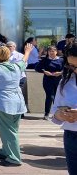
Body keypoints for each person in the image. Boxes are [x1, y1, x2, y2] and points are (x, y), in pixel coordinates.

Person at [50, 42, 77, 175]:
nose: (75, 70)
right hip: (71, 137)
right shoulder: (65, 81)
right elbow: (54, 112)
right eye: (71, 66)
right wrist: (60, 115)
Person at [35, 46, 64, 120]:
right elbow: (37, 68)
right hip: (48, 80)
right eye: (50, 51)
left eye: (53, 51)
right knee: (50, 96)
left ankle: (57, 113)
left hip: (58, 80)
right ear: (48, 52)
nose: (51, 53)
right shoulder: (45, 60)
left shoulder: (61, 60)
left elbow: (66, 69)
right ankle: (47, 113)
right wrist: (44, 71)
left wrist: (60, 73)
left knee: (58, 97)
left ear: (56, 52)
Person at [6, 41, 28, 116]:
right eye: (7, 46)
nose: (9, 48)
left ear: (14, 47)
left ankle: (21, 112)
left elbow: (23, 65)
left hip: (20, 77)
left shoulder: (20, 55)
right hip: (9, 78)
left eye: (10, 46)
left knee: (19, 94)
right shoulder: (4, 55)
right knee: (11, 95)